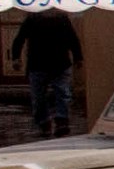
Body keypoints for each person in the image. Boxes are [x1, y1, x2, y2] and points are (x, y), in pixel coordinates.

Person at [8, 10, 82, 139]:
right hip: (48, 63)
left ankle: (55, 122)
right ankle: (52, 122)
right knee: (54, 95)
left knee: (52, 95)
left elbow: (72, 38)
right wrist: (77, 58)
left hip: (50, 63)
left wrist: (78, 57)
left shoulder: (54, 18)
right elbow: (72, 38)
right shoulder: (38, 18)